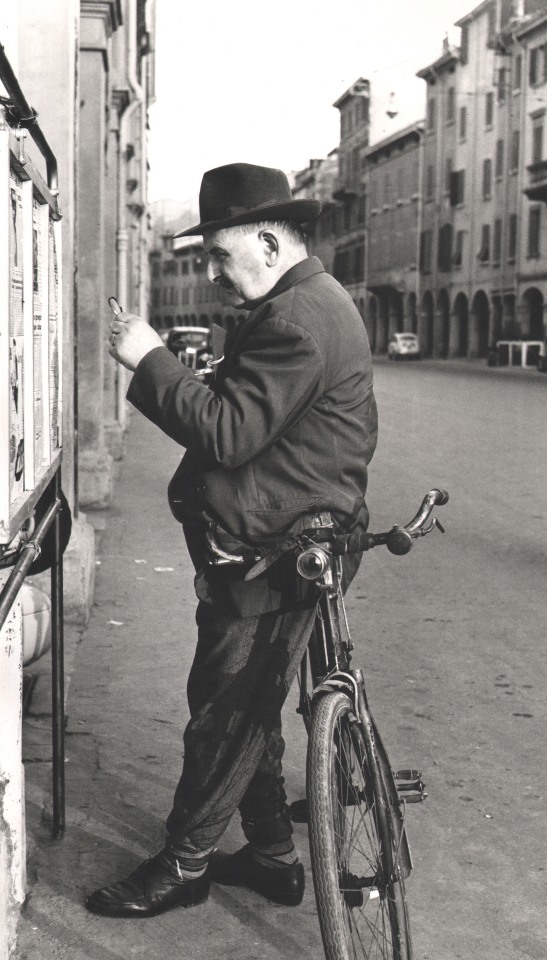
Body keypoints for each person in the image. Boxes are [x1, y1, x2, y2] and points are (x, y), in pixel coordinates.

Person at [87, 163, 378, 918]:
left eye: (219, 254)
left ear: (269, 243)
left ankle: (184, 864)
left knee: (226, 715)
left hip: (276, 552)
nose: (212, 272)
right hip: (281, 541)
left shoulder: (293, 318)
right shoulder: (307, 301)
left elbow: (228, 431)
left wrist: (150, 359)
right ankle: (275, 855)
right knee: (241, 703)